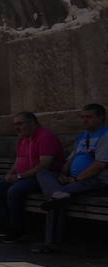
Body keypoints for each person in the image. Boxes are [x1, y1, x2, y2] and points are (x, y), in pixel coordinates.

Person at [34, 103, 108, 253]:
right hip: (74, 179)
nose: (85, 121)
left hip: (96, 180)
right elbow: (70, 160)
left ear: (101, 118)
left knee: (55, 201)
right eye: (83, 117)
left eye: (89, 117)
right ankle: (57, 193)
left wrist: (76, 179)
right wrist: (62, 174)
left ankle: (50, 243)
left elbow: (99, 165)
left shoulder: (105, 135)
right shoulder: (82, 136)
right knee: (43, 174)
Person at [0, 111, 64, 243]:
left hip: (42, 178)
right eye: (15, 125)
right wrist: (10, 174)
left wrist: (19, 176)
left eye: (20, 124)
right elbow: (18, 161)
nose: (17, 127)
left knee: (14, 191)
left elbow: (44, 165)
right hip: (23, 177)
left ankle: (18, 230)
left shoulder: (45, 137)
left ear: (32, 123)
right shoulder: (23, 139)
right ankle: (6, 227)